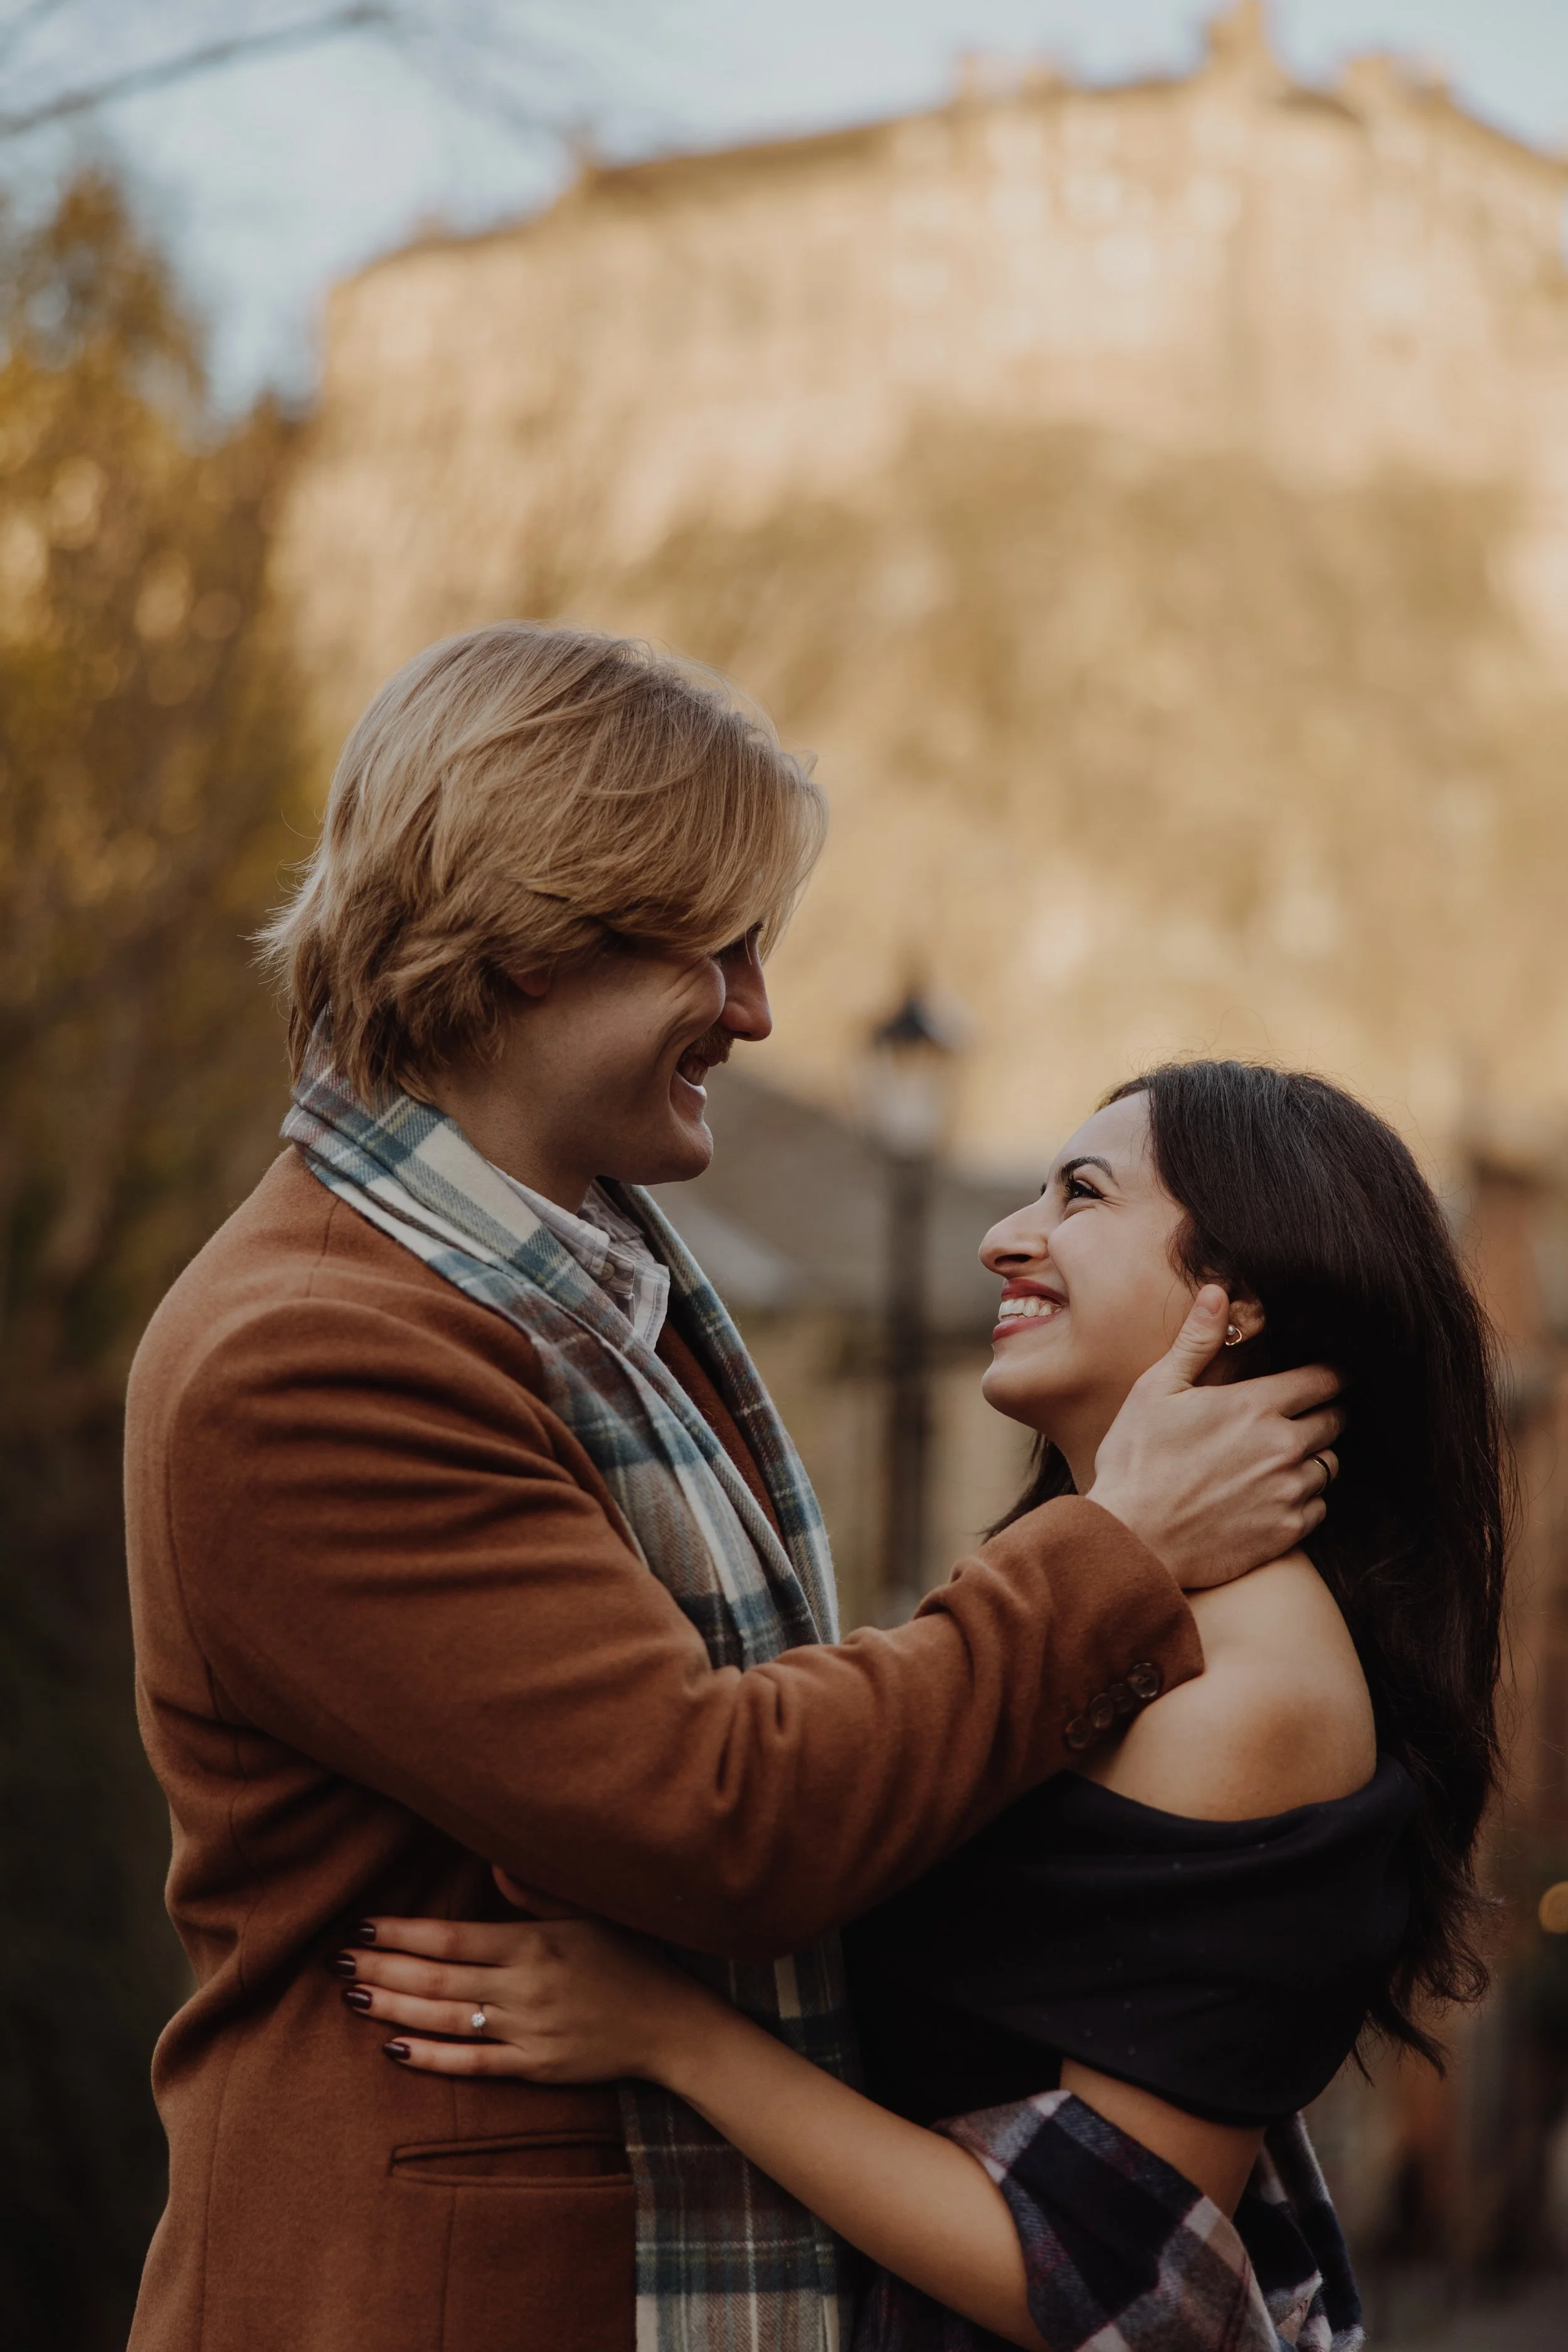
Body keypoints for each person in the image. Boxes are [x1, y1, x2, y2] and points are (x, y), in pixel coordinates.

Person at [123, 625, 1342, 2352]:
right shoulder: (307, 1354)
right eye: (717, 948)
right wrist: (1113, 1550)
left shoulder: (581, 1274)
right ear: (533, 934)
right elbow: (720, 1808)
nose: (760, 1011)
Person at [337, 1061, 1507, 2352]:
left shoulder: (1247, 1697)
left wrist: (663, 2032)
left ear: (1235, 1299)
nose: (1003, 1236)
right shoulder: (1120, 1620)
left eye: (1079, 1194)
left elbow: (1100, 2276)